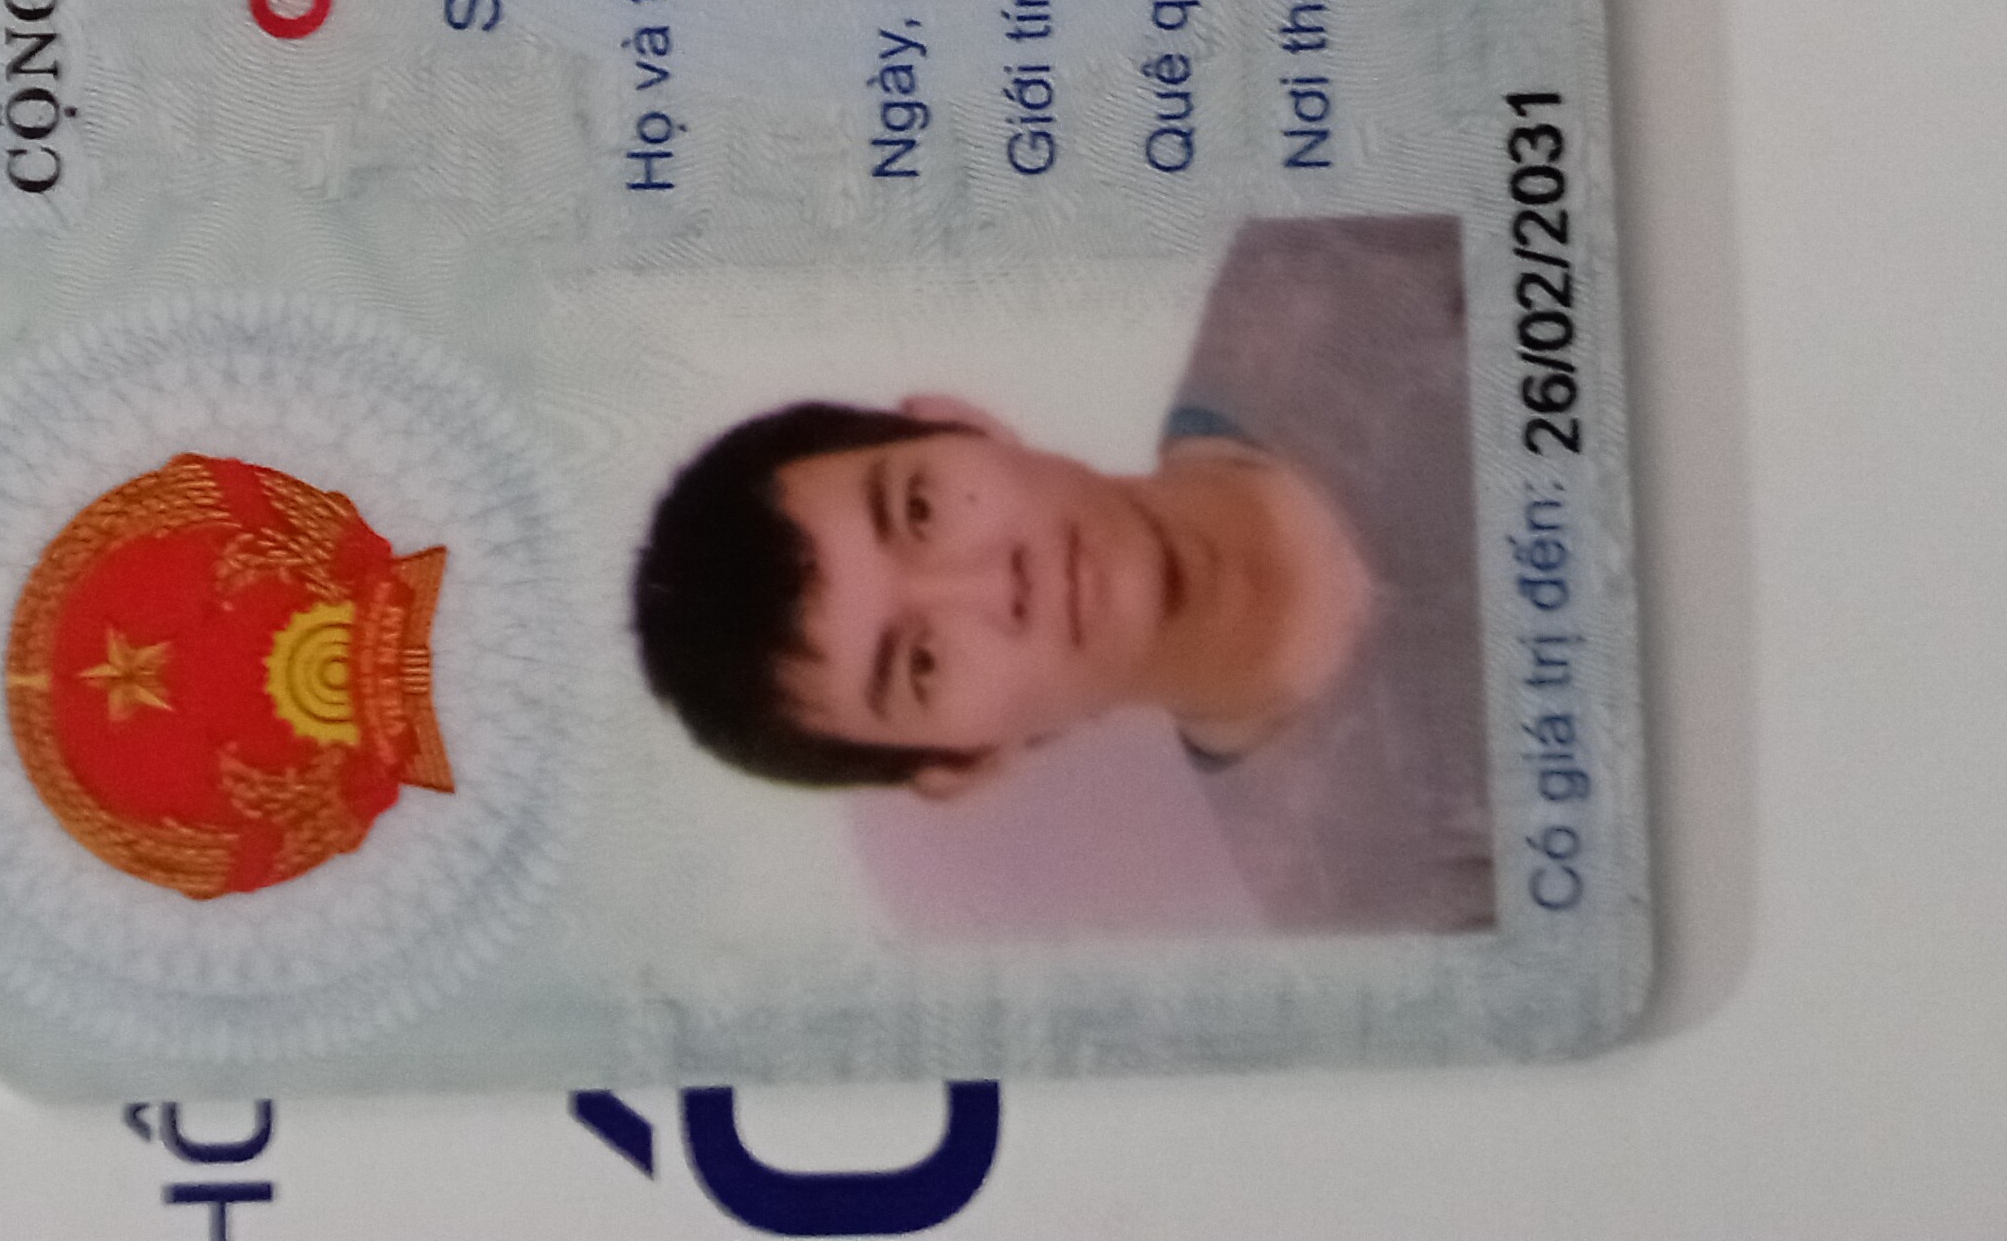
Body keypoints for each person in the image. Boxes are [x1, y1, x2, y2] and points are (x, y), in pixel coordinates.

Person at [631, 214, 1492, 931]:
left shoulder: (1328, 266)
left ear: (960, 421)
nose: (993, 586)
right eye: (922, 662)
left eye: (920, 510)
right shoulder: (1366, 901)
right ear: (966, 763)